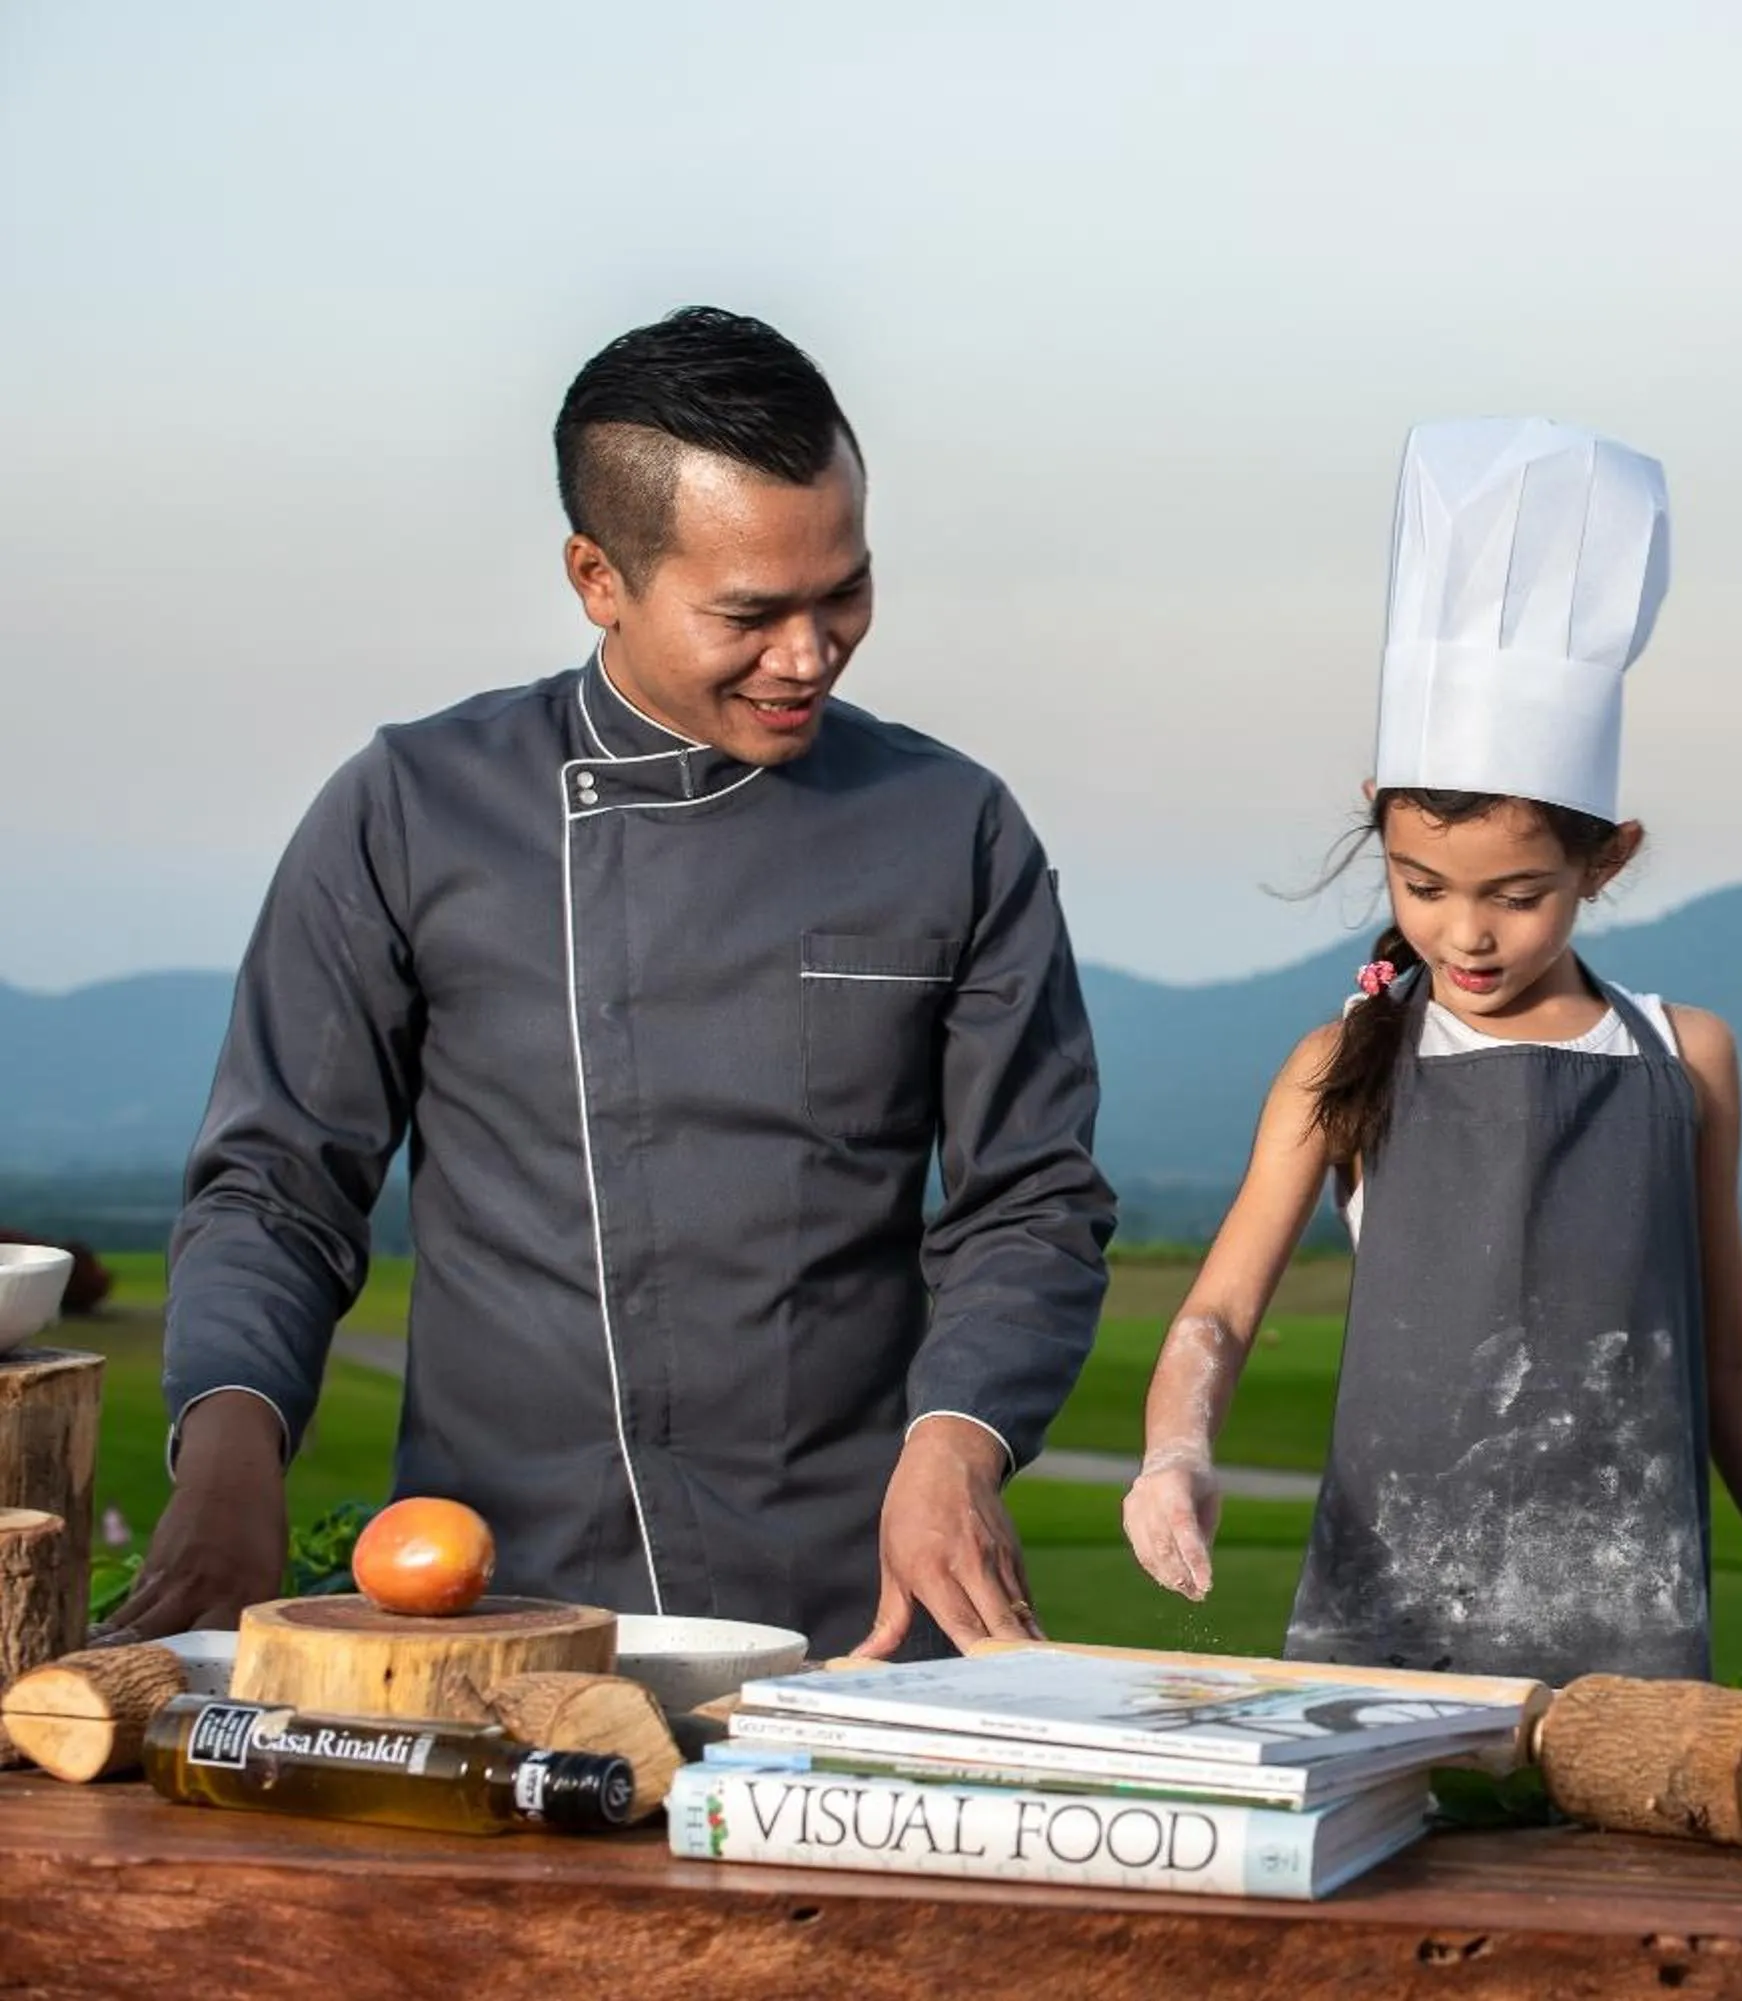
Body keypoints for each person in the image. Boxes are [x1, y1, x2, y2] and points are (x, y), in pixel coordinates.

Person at [108, 308, 1114, 1660]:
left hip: (858, 1613)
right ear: (598, 575)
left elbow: (1030, 1201)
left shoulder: (953, 825)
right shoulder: (411, 810)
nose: (809, 654)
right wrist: (229, 1446)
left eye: (845, 592)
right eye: (750, 613)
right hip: (490, 1609)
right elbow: (279, 1183)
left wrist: (962, 1440)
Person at [1121, 417, 1742, 1682]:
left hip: (1633, 1634)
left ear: (1604, 858)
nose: (1466, 933)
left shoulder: (1688, 1060)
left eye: (1516, 894)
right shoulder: (1334, 1065)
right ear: (1378, 830)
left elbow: (1727, 1358)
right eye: (1422, 884)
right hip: (1385, 1633)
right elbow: (1220, 1317)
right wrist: (1175, 1456)